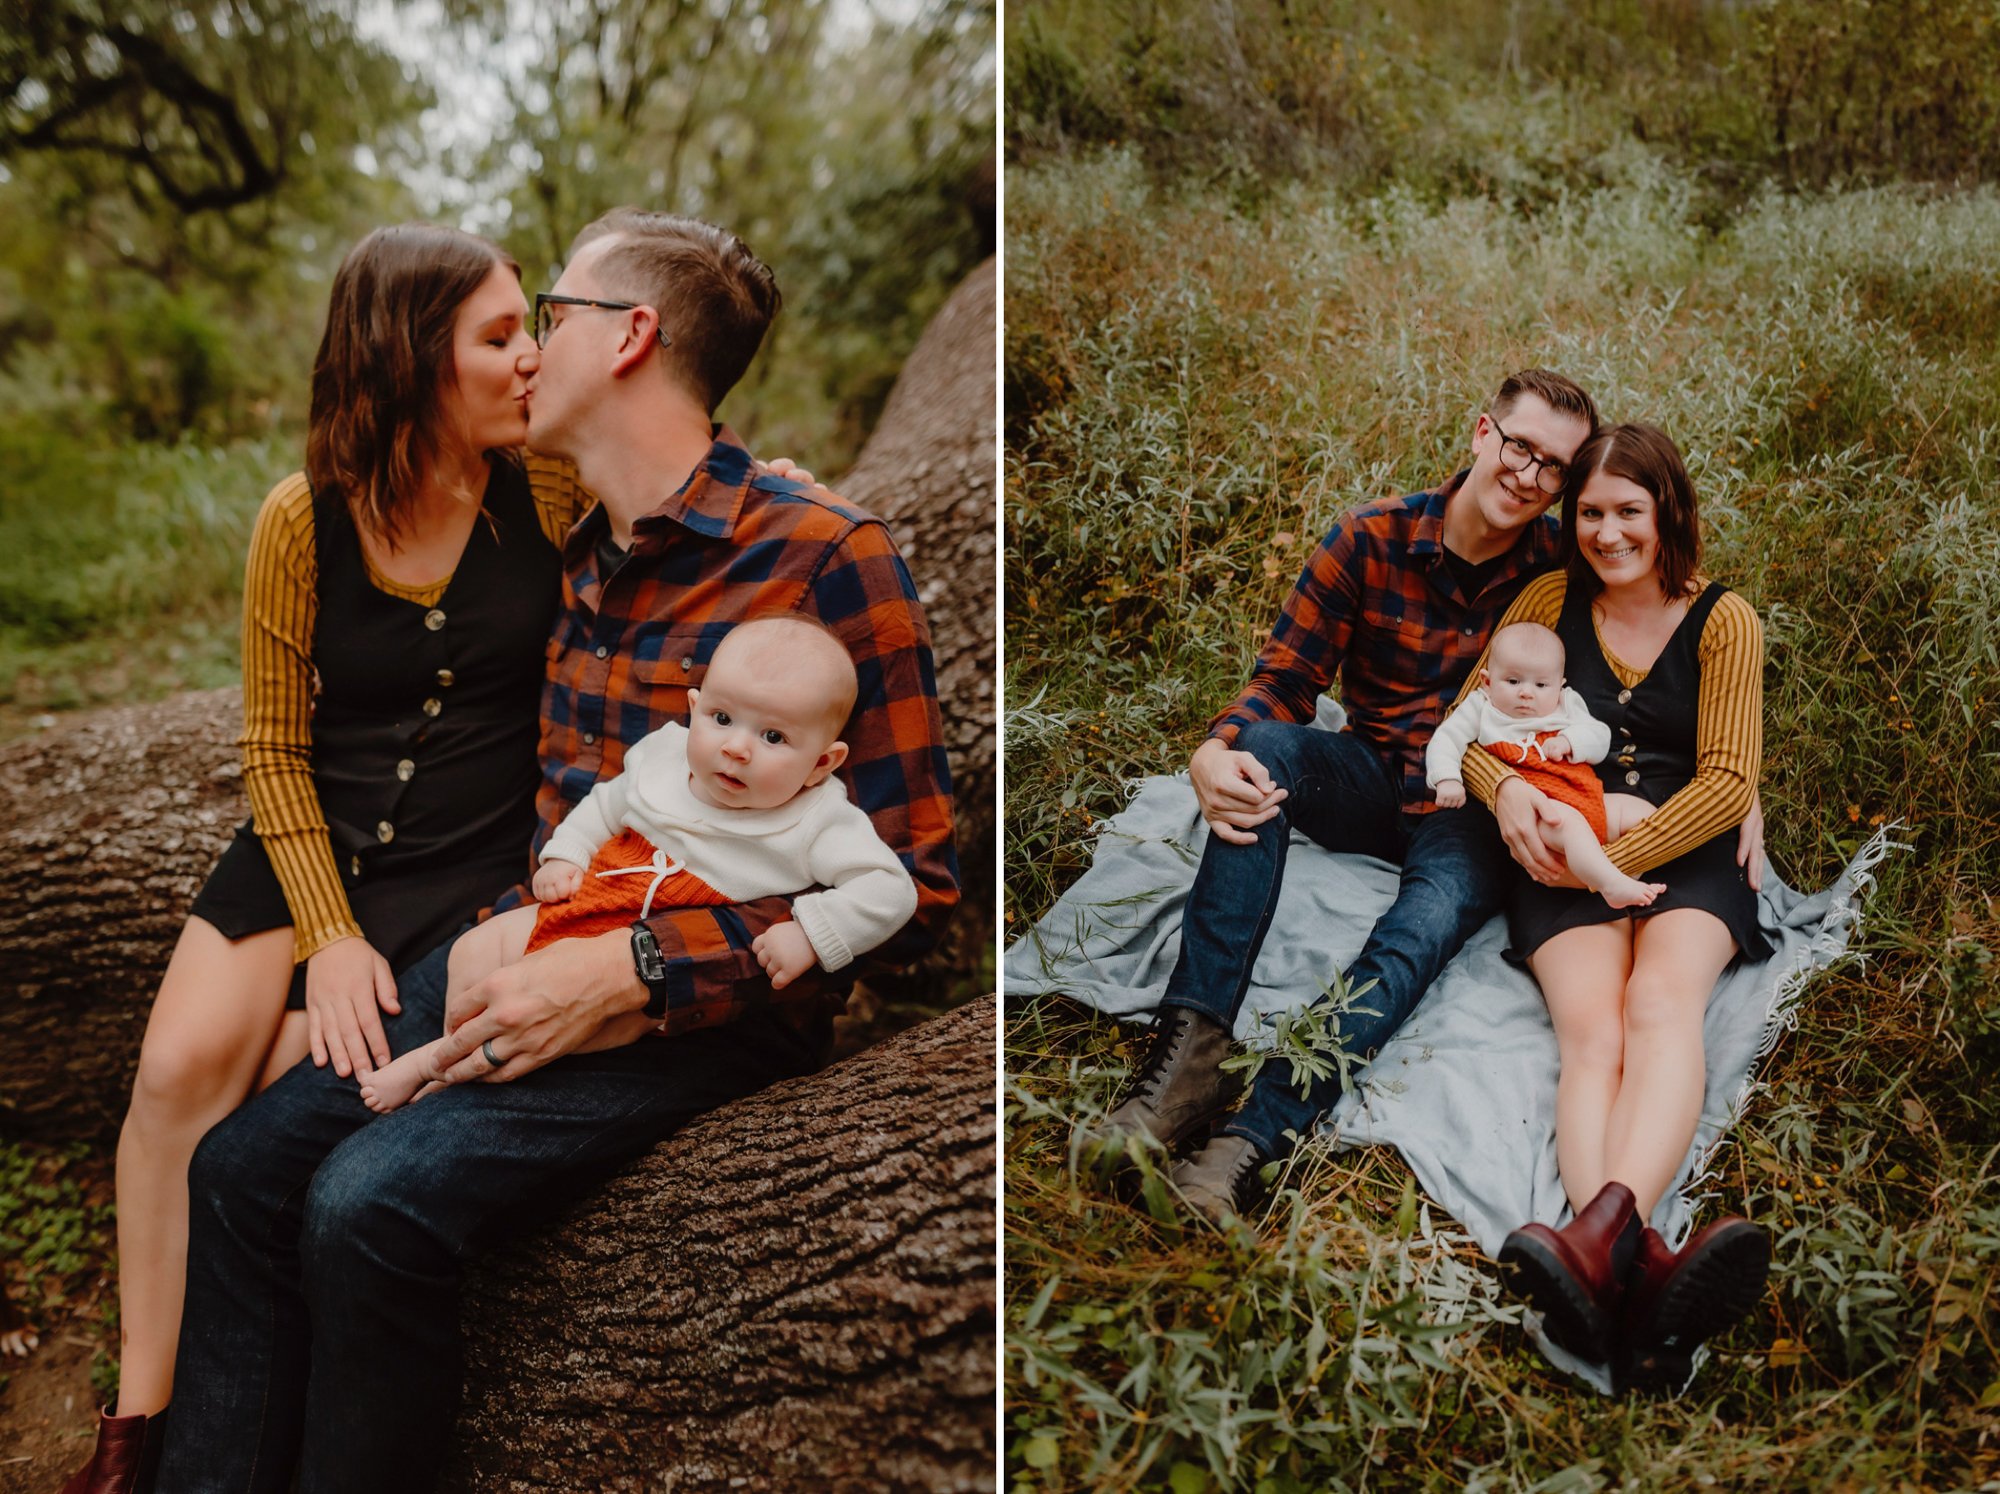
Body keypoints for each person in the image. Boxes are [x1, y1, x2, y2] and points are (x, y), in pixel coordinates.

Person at [151, 208, 956, 1491]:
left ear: (630, 336)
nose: (528, 352)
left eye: (551, 318)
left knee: (365, 1208)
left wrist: (641, 969)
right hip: (528, 940)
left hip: (706, 1006)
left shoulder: (825, 558)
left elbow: (914, 876)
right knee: (241, 1171)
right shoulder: (566, 538)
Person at [61, 224, 571, 1493]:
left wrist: (769, 475)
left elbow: (689, 499)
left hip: (462, 865)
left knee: (290, 1069)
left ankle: (229, 1400)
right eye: (500, 335)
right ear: (410, 357)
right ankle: (137, 1425)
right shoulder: (301, 521)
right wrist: (327, 934)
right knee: (177, 1071)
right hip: (306, 847)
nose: (532, 357)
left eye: (533, 328)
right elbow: (273, 752)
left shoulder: (552, 486)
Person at [1073, 370, 1602, 1222]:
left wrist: (1735, 781)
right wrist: (1216, 748)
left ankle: (1251, 1140)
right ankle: (1186, 1061)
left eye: (1554, 470)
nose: (1530, 477)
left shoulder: (1559, 574)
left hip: (1468, 806)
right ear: (1481, 434)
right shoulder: (1369, 538)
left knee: (1423, 926)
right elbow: (1287, 680)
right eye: (1520, 448)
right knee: (1268, 748)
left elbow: (1658, 647)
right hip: (1366, 774)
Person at [1461, 424, 1772, 1393]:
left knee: (1658, 1008)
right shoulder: (1548, 602)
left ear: (1665, 511)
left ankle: (1594, 1249)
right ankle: (1639, 1271)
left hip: (1679, 846)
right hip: (1560, 844)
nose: (1604, 532)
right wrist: (1509, 796)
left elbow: (1724, 783)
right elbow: (1470, 730)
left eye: (1625, 511)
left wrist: (1620, 863)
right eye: (1587, 512)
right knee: (1590, 1032)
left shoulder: (1725, 621)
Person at [360, 613, 918, 1113]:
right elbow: (606, 804)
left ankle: (434, 1070)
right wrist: (566, 853)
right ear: (695, 710)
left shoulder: (817, 820)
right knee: (475, 949)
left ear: (823, 762)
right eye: (723, 718)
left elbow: (890, 889)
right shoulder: (664, 758)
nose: (737, 748)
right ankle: (456, 1044)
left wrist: (811, 934)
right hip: (586, 905)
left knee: (597, 1029)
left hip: (640, 960)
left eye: (773, 736)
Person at [1425, 620, 1665, 909]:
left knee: (1642, 813)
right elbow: (1447, 739)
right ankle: (1608, 884)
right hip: (1540, 812)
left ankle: (1621, 869)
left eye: (1541, 684)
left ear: (1560, 685)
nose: (1527, 693)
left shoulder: (1567, 704)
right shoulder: (1482, 707)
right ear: (1487, 681)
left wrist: (1570, 742)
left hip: (1586, 797)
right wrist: (1447, 778)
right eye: (1513, 682)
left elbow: (1600, 738)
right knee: (1569, 825)